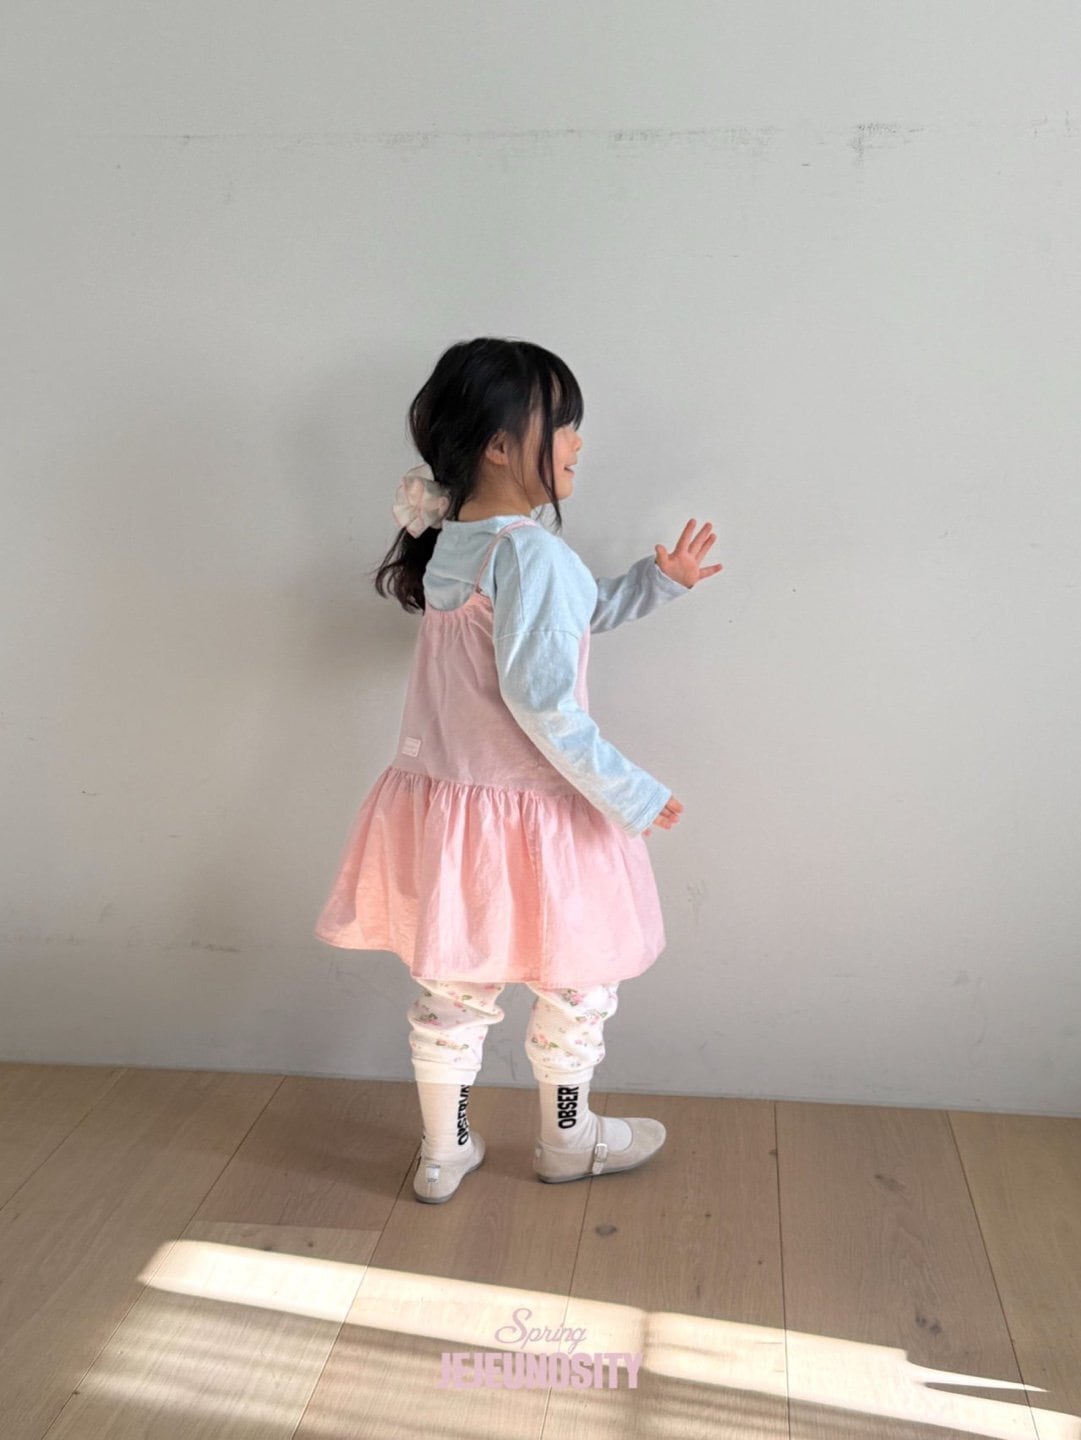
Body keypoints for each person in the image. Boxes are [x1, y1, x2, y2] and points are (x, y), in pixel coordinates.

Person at [314, 337, 722, 1203]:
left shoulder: (459, 542)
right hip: (540, 812)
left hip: (457, 817)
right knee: (577, 982)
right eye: (562, 424)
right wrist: (630, 792)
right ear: (501, 445)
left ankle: (444, 1149)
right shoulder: (528, 552)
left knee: (453, 990)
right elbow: (543, 701)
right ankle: (567, 1139)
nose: (577, 442)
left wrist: (655, 583)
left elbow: (567, 617)